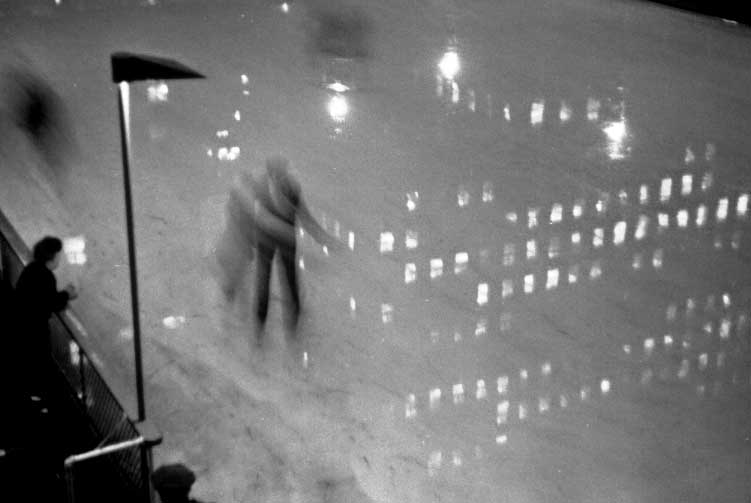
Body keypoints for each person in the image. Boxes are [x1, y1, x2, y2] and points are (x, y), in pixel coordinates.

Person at [217, 156, 342, 335]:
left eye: (284, 173)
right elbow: (255, 216)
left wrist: (324, 239)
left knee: (288, 281)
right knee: (265, 282)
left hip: (284, 243)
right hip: (270, 241)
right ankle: (262, 324)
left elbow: (305, 218)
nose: (283, 176)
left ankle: (291, 321)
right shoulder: (260, 187)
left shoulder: (289, 188)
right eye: (281, 173)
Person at [12, 236, 77, 399]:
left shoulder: (31, 269)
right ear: (52, 258)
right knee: (39, 361)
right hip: (35, 329)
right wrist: (67, 294)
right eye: (58, 256)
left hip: (21, 324)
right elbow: (51, 303)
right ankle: (38, 396)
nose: (59, 260)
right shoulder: (47, 276)